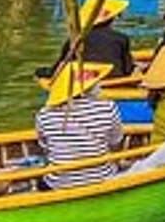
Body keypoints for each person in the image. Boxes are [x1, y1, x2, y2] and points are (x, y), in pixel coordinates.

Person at [32, 62, 125, 190]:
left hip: (60, 183)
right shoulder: (108, 107)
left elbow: (46, 148)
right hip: (103, 177)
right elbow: (116, 142)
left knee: (42, 178)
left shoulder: (44, 114)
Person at [55, 0, 135, 77]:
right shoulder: (121, 38)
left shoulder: (75, 39)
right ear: (112, 19)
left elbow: (59, 67)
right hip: (114, 81)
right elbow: (127, 69)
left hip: (85, 81)